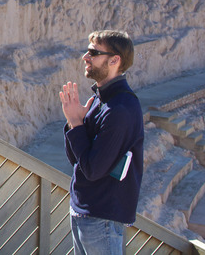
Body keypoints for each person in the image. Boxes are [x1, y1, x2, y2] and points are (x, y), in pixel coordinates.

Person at [60, 30, 143, 255]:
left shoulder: (120, 109)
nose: (85, 57)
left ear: (115, 60)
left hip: (101, 217)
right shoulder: (101, 100)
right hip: (85, 212)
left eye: (93, 53)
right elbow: (77, 159)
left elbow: (93, 169)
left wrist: (77, 124)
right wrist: (73, 123)